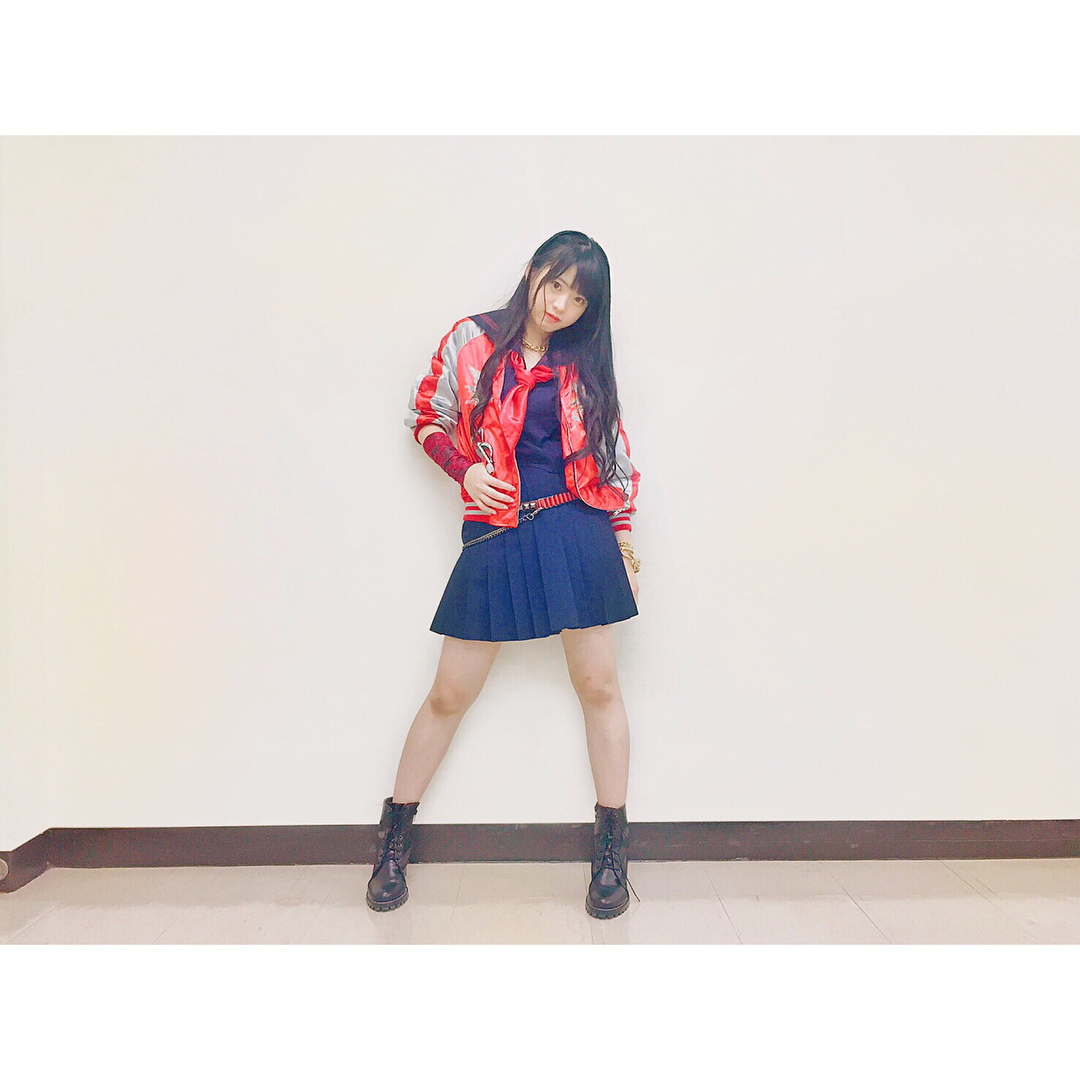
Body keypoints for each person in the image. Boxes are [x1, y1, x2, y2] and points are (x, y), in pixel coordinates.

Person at [368, 230, 642, 920]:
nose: (561, 304)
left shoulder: (587, 366)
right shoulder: (472, 339)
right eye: (556, 284)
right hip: (498, 528)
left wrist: (625, 546)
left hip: (576, 527)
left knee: (599, 686)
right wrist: (466, 472)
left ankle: (612, 852)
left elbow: (612, 456)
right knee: (448, 694)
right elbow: (425, 414)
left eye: (579, 299)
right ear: (532, 270)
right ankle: (393, 840)